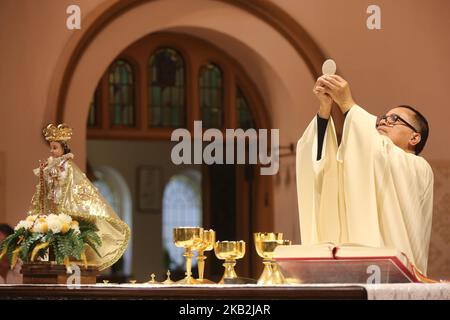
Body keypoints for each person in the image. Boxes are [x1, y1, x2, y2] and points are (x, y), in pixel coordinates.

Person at [296, 74, 433, 274]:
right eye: (383, 118)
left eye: (395, 119)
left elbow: (381, 152)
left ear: (415, 137)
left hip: (396, 277)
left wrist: (347, 104)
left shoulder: (418, 168)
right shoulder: (367, 163)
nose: (385, 121)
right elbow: (323, 168)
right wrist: (325, 112)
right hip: (349, 274)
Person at [28, 124, 130, 271]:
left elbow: (65, 182)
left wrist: (54, 174)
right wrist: (45, 172)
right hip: (54, 202)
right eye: (51, 147)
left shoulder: (67, 166)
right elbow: (46, 185)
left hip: (66, 202)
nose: (52, 151)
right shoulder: (52, 164)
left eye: (55, 147)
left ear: (63, 148)